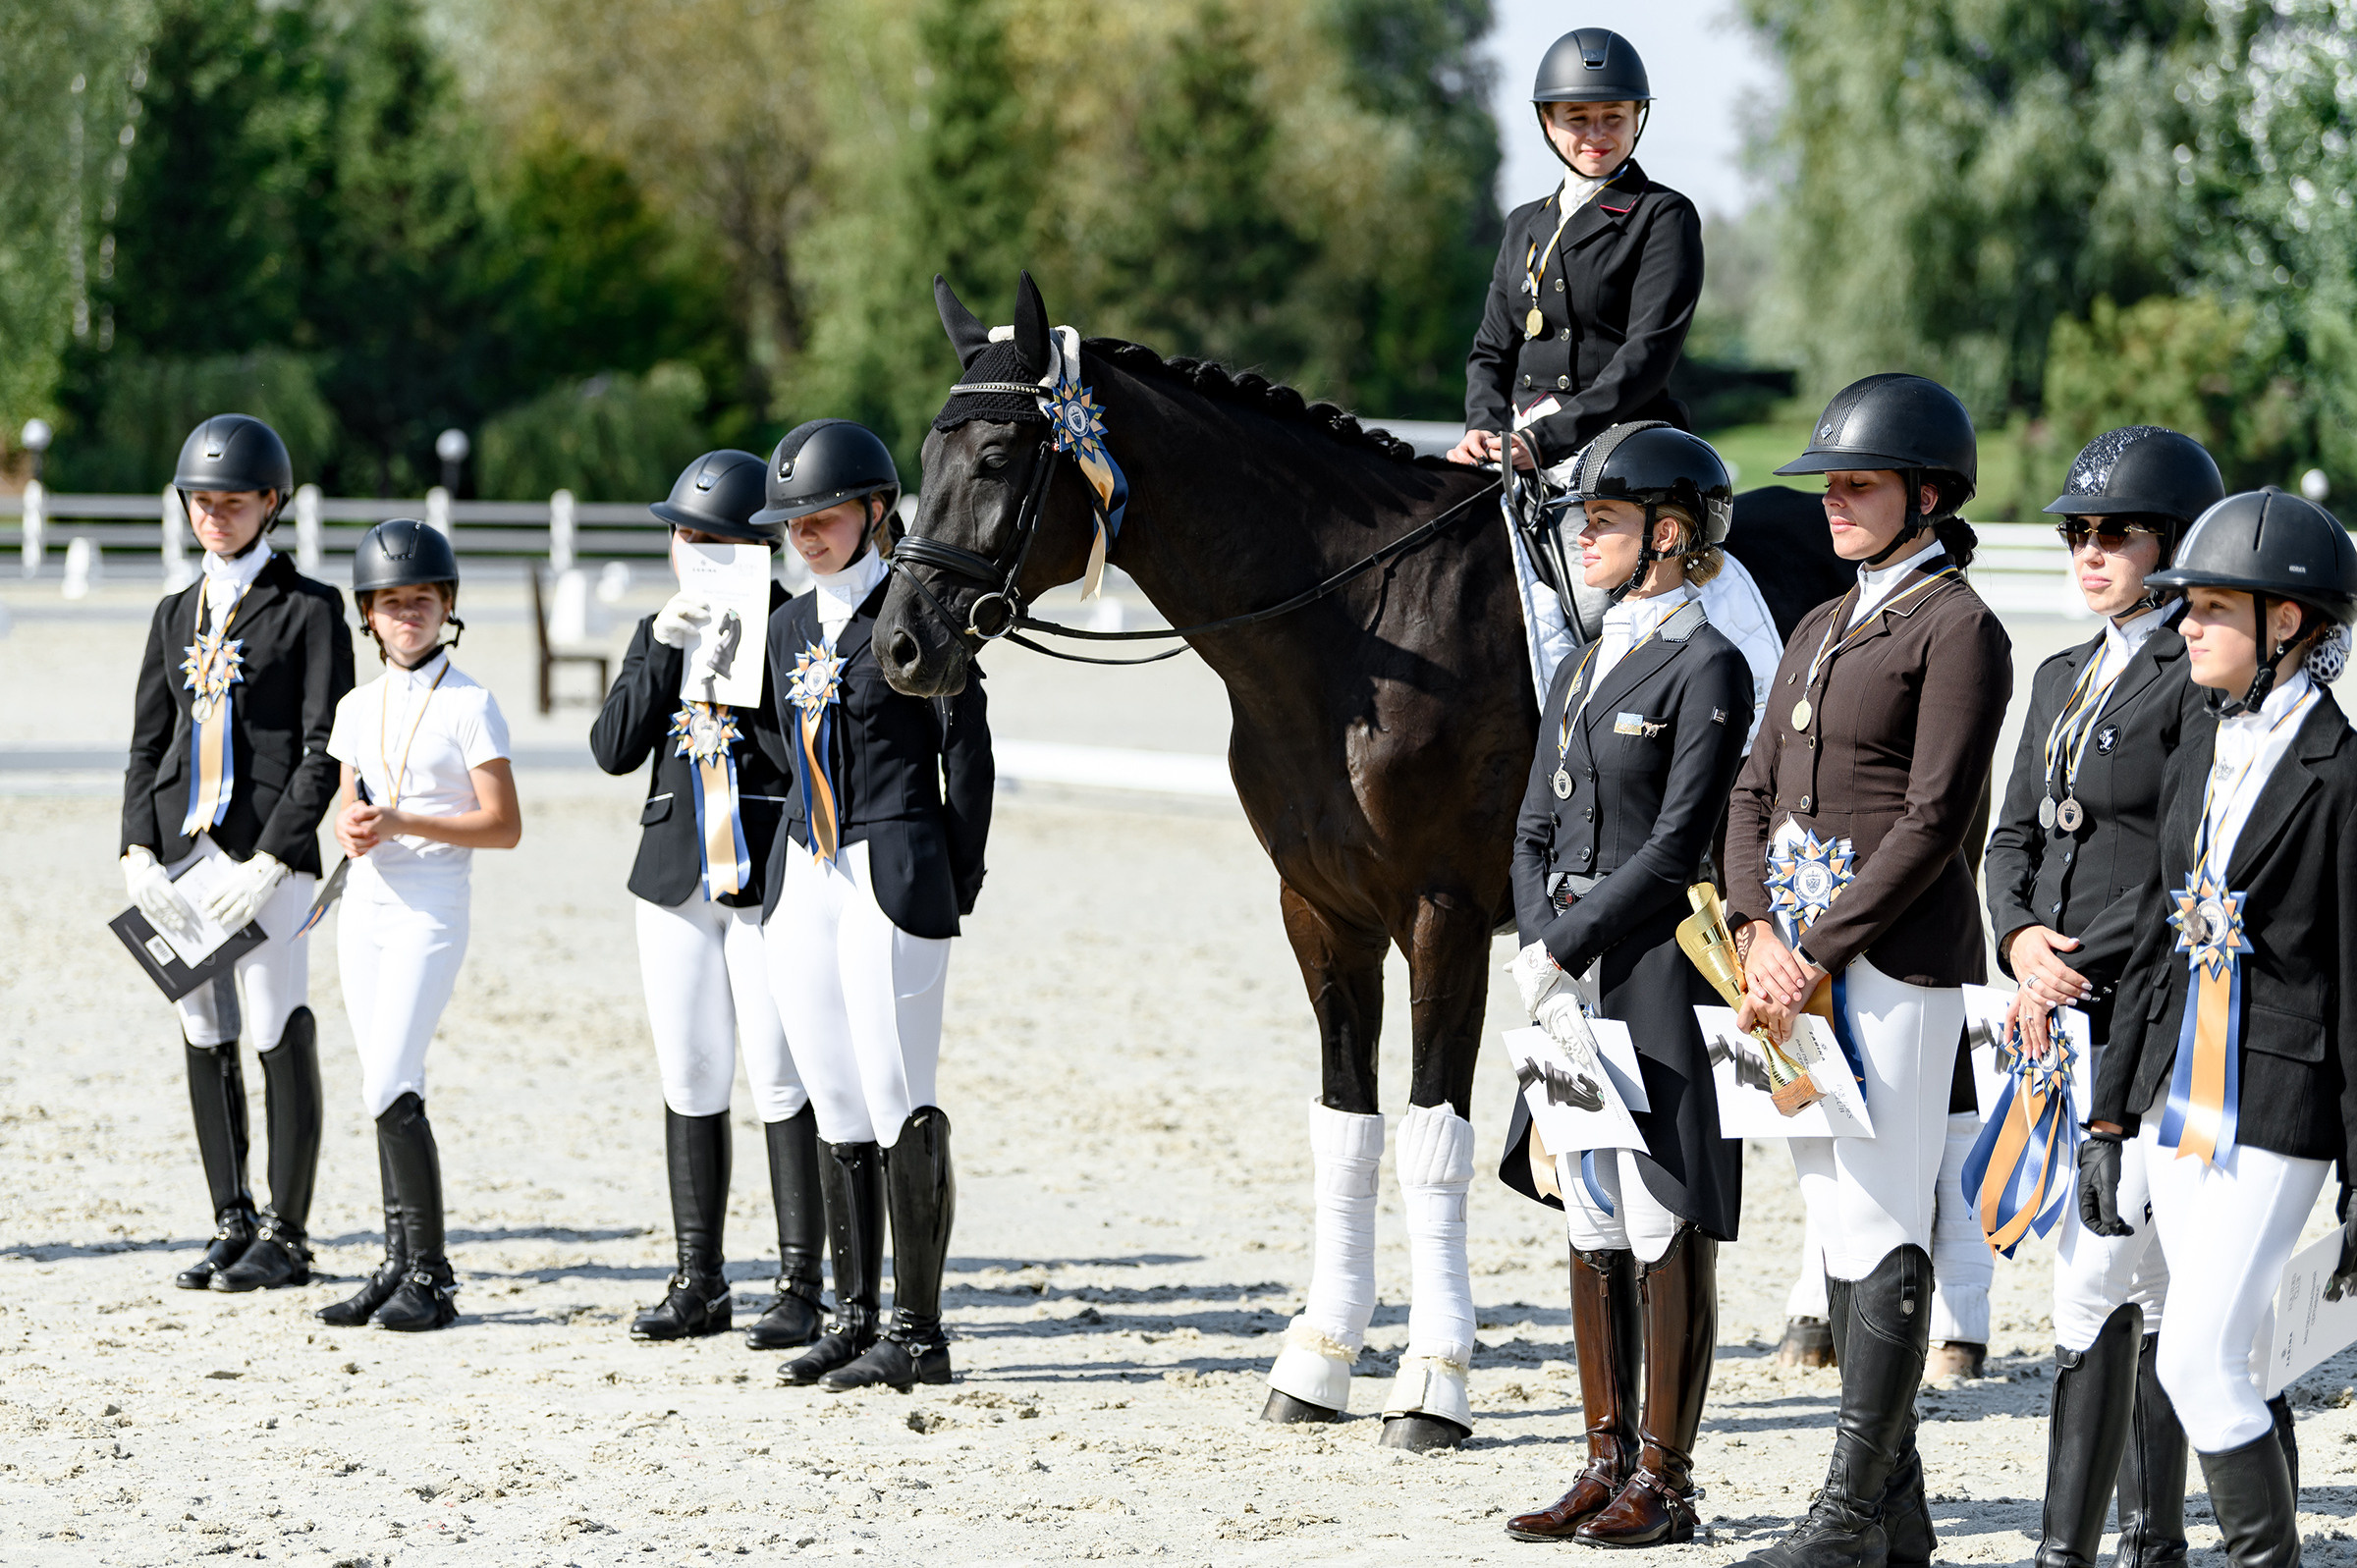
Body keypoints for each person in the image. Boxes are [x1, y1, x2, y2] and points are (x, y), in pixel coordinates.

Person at [1725, 373, 2013, 1568]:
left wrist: (1815, 951)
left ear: (1927, 496)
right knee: (1836, 1216)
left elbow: (1936, 816)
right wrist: (1751, 929)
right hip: (1785, 967)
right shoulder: (1817, 623)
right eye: (1830, 484)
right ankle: (1898, 1512)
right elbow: (1750, 789)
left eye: (1858, 485)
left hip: (1890, 963)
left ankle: (1848, 1514)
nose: (1833, 503)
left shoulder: (1959, 627)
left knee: (1885, 1209)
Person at [2083, 486, 2357, 1568]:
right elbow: (2160, 937)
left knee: (2196, 1359)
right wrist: (2110, 1116)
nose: (2185, 625)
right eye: (2185, 604)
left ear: (2286, 624)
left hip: (2281, 1102)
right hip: (2174, 1100)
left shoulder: (2343, 776)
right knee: (2212, 1354)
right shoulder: (2201, 741)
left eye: (2211, 608)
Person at [1493, 424, 1755, 1546]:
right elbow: (1534, 823)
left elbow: (1678, 842)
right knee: (1587, 1208)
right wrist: (1542, 929)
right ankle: (1601, 1456)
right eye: (1580, 520)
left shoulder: (1710, 664)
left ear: (1669, 534)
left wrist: (1562, 943)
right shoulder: (1576, 661)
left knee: (1661, 1212)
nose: (1581, 537)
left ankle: (1668, 1474)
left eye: (1601, 520)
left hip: (1652, 961)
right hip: (1570, 967)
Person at [1983, 427, 2224, 1568]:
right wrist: (2020, 934)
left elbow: (2187, 869)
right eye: (2075, 532)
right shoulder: (2059, 675)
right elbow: (2013, 837)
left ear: (2169, 547)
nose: (2087, 551)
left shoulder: (2195, 682)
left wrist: (2077, 958)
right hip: (2056, 1010)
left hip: (2151, 1009)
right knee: (2119, 1269)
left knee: (2121, 1269)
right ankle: (2145, 1538)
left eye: (2112, 533)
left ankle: (2115, 1542)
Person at [751, 419, 994, 1392]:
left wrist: (955, 871)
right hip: (805, 871)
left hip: (893, 861)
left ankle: (920, 1333)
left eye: (823, 516)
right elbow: (777, 746)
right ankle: (852, 1318)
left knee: (901, 1097)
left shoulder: (914, 606)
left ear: (874, 510)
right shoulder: (782, 626)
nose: (805, 534)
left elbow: (966, 748)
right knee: (835, 1099)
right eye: (792, 522)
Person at [590, 450, 824, 1348]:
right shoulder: (663, 627)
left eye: (710, 537)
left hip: (761, 871)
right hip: (673, 871)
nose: (690, 549)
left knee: (777, 1073)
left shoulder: (792, 626)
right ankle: (700, 1276)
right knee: (689, 1071)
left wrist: (753, 643)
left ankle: (802, 1280)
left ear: (753, 545)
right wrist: (660, 644)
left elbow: (797, 749)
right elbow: (613, 746)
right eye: (683, 535)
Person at [120, 414, 354, 1293]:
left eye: (231, 501)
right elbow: (147, 742)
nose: (213, 515)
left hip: (266, 855)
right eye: (200, 502)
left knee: (274, 1024)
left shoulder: (310, 608)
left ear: (270, 503)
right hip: (183, 852)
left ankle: (289, 1233)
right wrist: (136, 846)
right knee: (201, 1027)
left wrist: (277, 857)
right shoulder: (175, 611)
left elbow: (321, 742)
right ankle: (232, 1214)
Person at [316, 519, 521, 1332]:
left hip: (432, 908)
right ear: (368, 613)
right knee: (387, 1082)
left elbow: (503, 824)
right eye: (392, 603)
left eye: (423, 601)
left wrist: (405, 824)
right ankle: (397, 1260)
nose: (408, 615)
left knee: (389, 1075)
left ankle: (431, 1272)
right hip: (363, 906)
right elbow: (348, 800)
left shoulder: (472, 702)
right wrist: (356, 827)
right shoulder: (357, 704)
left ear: (448, 606)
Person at [1450, 27, 1701, 476]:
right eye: (1578, 118)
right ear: (1548, 121)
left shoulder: (1664, 216)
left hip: (1617, 444)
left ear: (1637, 117)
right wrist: (1482, 426)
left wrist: (1545, 440)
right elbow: (1492, 348)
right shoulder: (1523, 224)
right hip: (1515, 440)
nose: (1596, 135)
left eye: (1613, 117)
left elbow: (1647, 356)